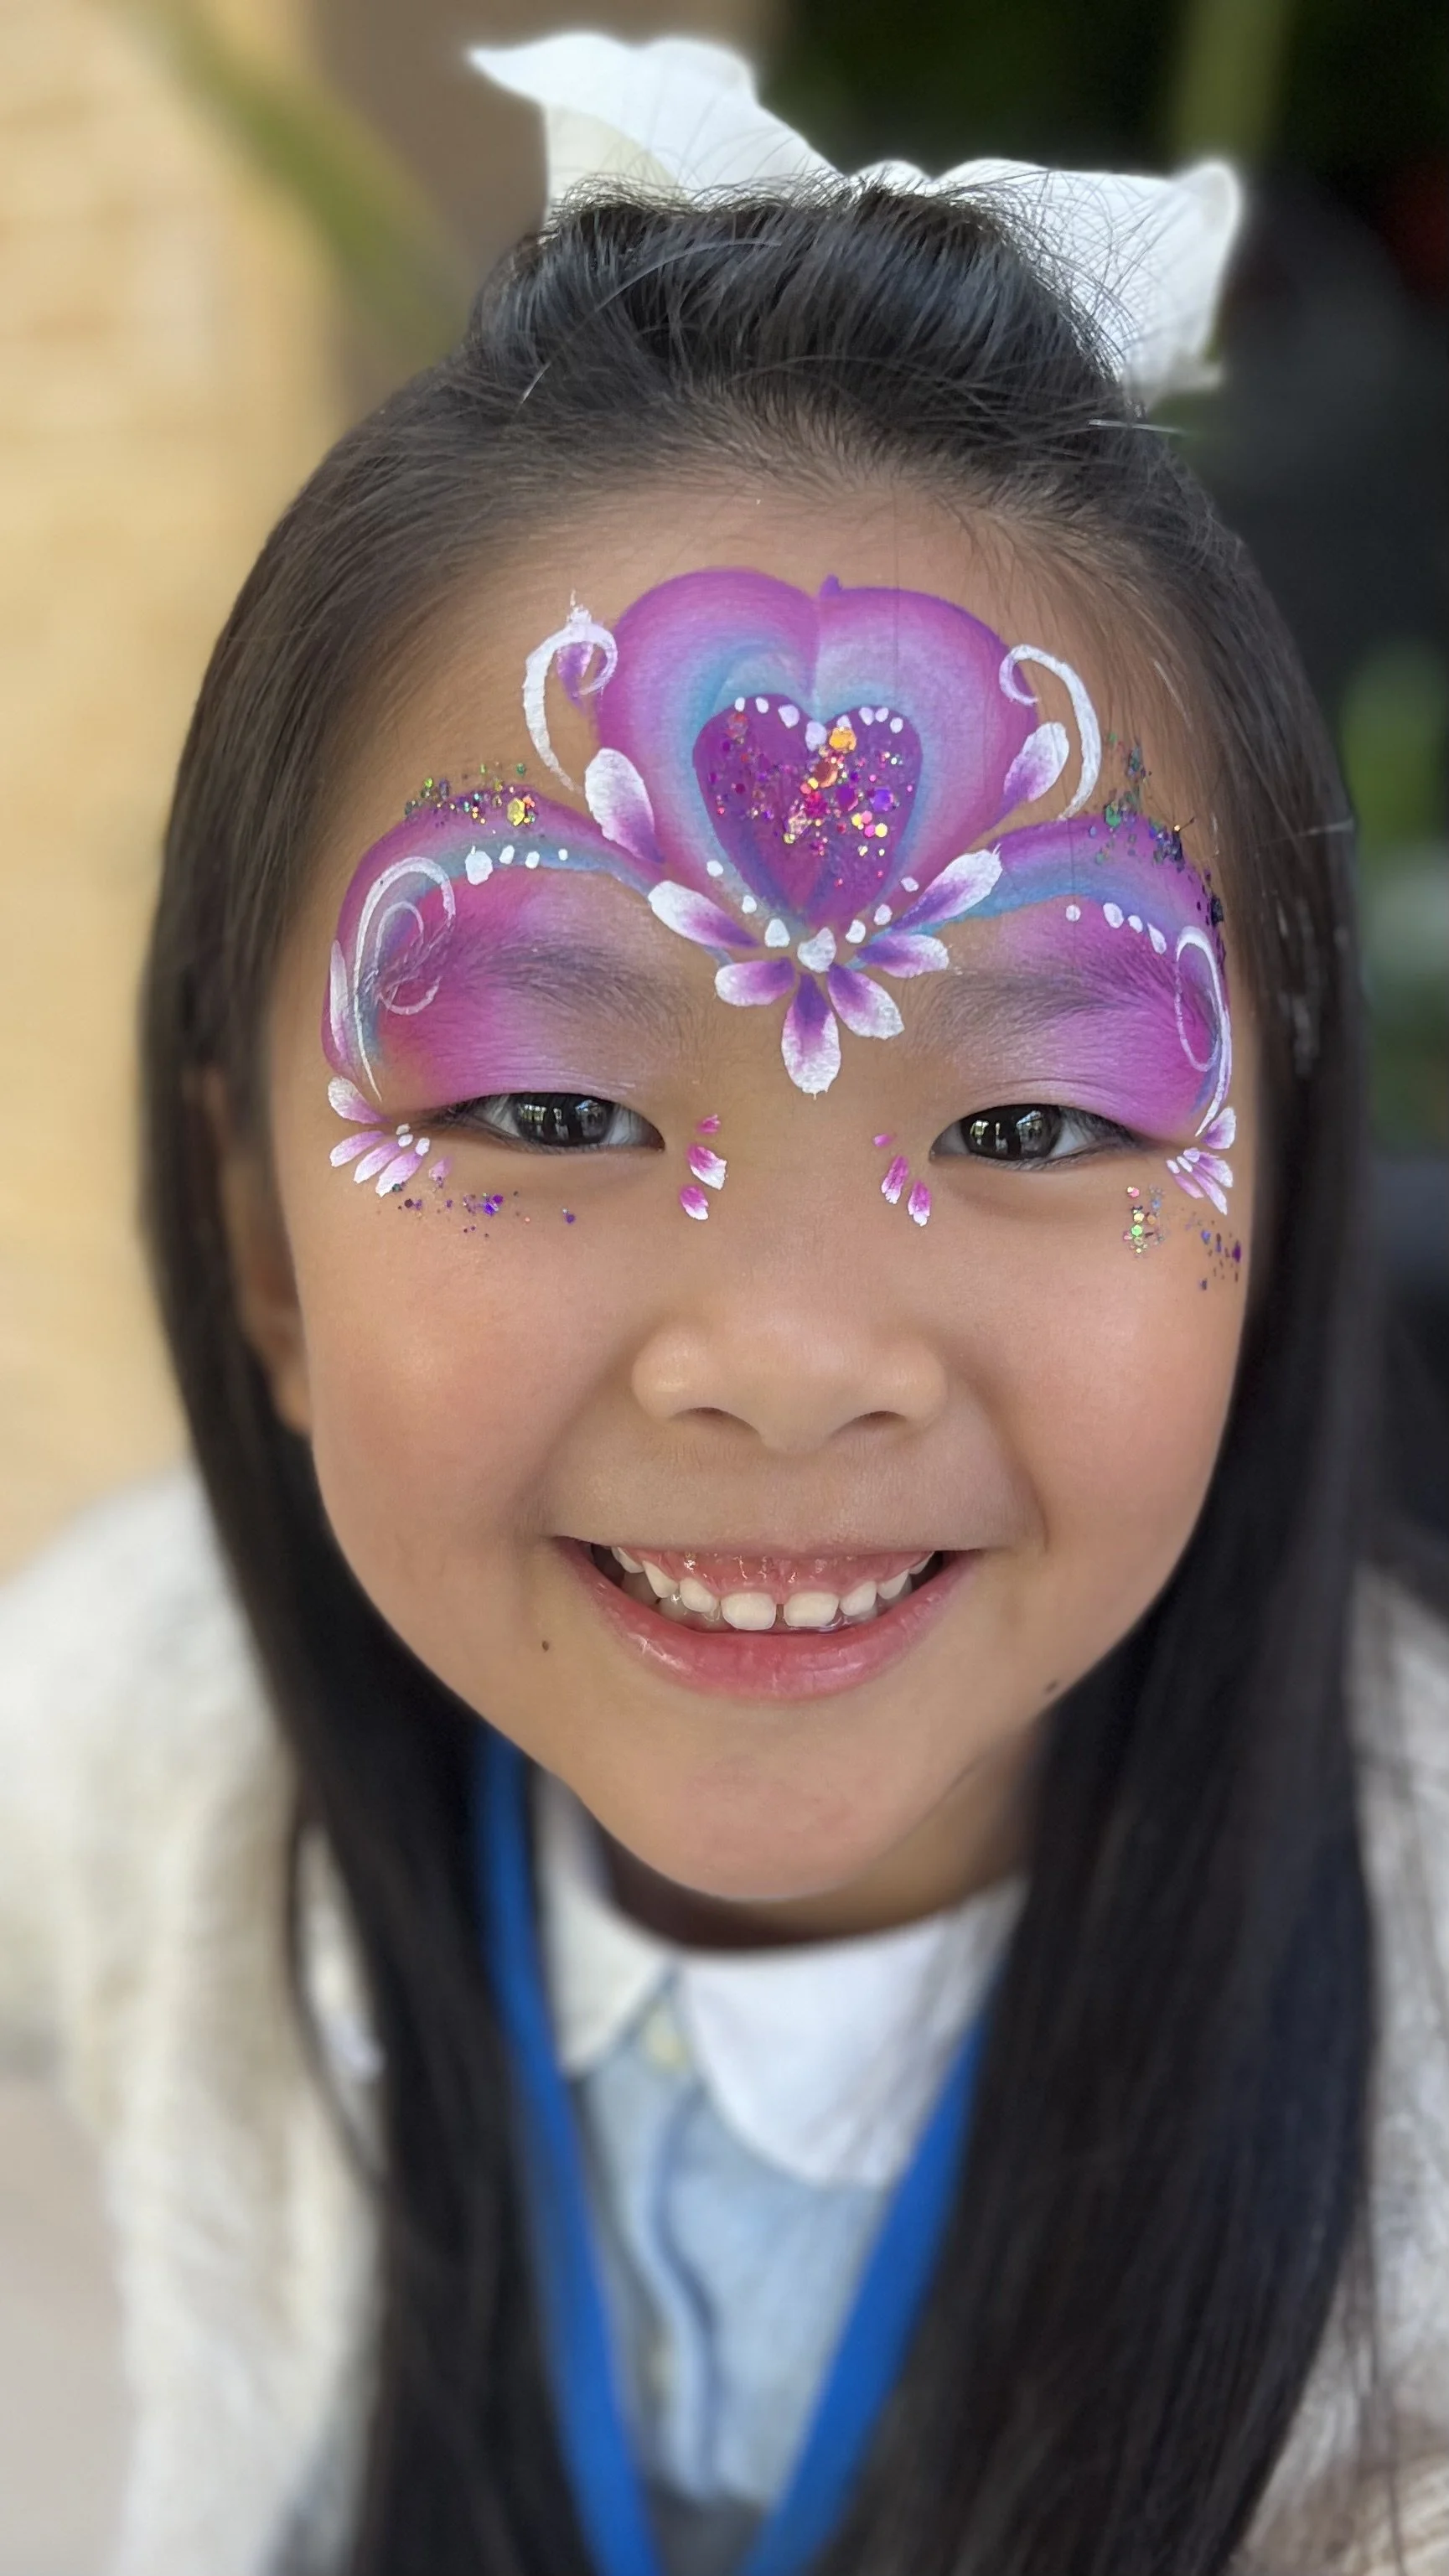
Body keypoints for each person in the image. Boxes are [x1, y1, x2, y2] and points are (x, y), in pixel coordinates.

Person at [1, 32, 1445, 2576]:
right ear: (256, 1254)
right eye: (550, 1111)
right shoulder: (146, 1730)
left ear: (1281, 1215)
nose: (782, 1354)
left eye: (1029, 1125)